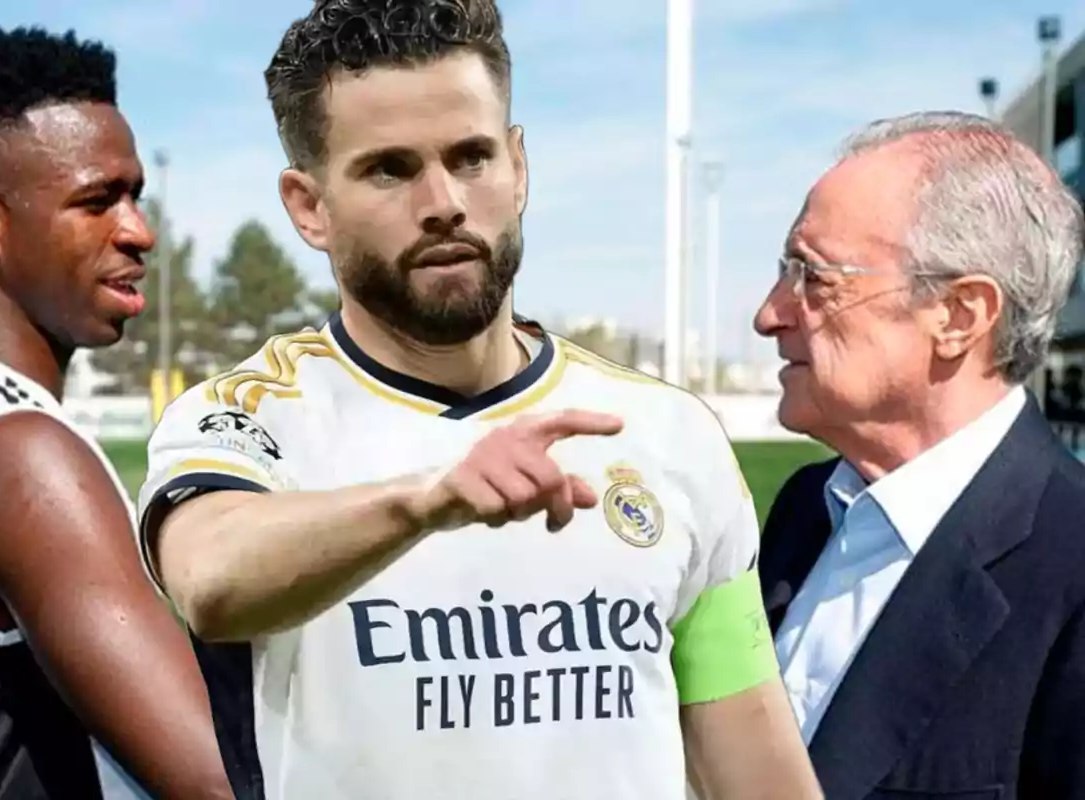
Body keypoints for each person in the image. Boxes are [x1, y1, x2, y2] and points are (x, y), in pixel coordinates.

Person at [136, 2, 822, 799]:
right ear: (309, 206)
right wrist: (427, 501)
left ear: (519, 166)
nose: (443, 202)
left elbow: (757, 772)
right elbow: (212, 579)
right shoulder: (254, 417)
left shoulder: (668, 434)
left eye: (471, 158)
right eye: (389, 168)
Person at [0, 25, 233, 799]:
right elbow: (217, 782)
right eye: (98, 199)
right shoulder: (18, 455)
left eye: (136, 193)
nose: (139, 231)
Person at [754, 111, 1085, 799]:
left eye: (814, 278)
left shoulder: (1072, 568)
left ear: (959, 316)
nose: (769, 313)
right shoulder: (805, 512)